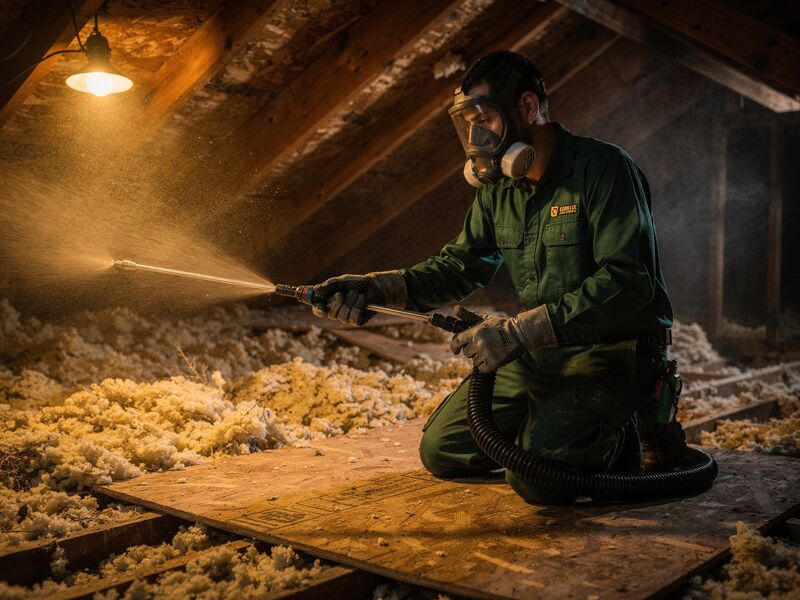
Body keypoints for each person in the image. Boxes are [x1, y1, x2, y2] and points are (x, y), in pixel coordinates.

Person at [310, 50, 681, 504]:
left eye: (483, 118)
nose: (474, 134)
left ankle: (634, 426)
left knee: (536, 480)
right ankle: (558, 426)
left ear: (526, 108)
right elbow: (459, 265)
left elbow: (629, 281)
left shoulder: (603, 170)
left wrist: (521, 331)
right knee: (441, 451)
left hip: (613, 352)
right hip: (540, 350)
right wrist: (375, 286)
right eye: (467, 123)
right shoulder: (500, 191)